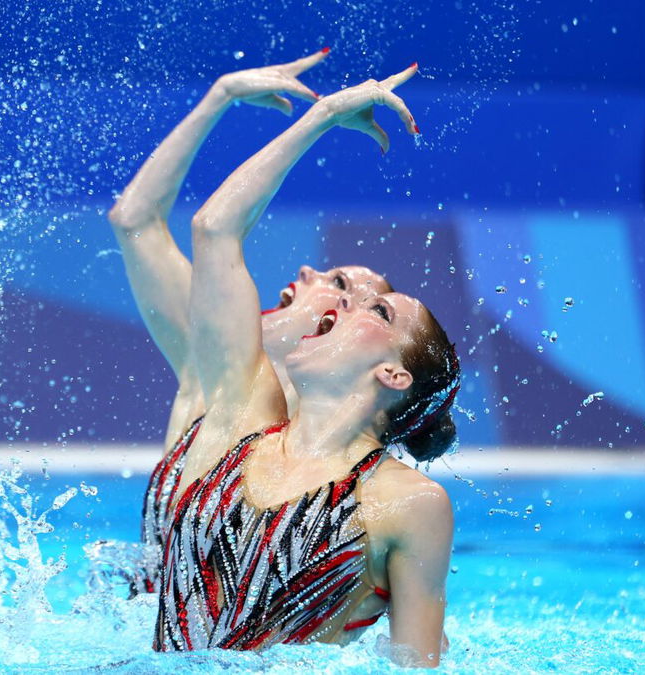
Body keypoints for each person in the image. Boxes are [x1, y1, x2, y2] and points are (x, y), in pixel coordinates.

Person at [153, 61, 459, 668]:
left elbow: (416, 664)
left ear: (393, 375)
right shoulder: (240, 416)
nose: (349, 300)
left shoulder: (409, 503)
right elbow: (214, 229)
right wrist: (321, 117)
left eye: (378, 311)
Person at [106, 48, 392, 588]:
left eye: (337, 286)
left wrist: (322, 116)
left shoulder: (334, 446)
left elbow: (216, 229)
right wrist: (221, 96)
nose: (309, 269)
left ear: (339, 329)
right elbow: (135, 220)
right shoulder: (207, 369)